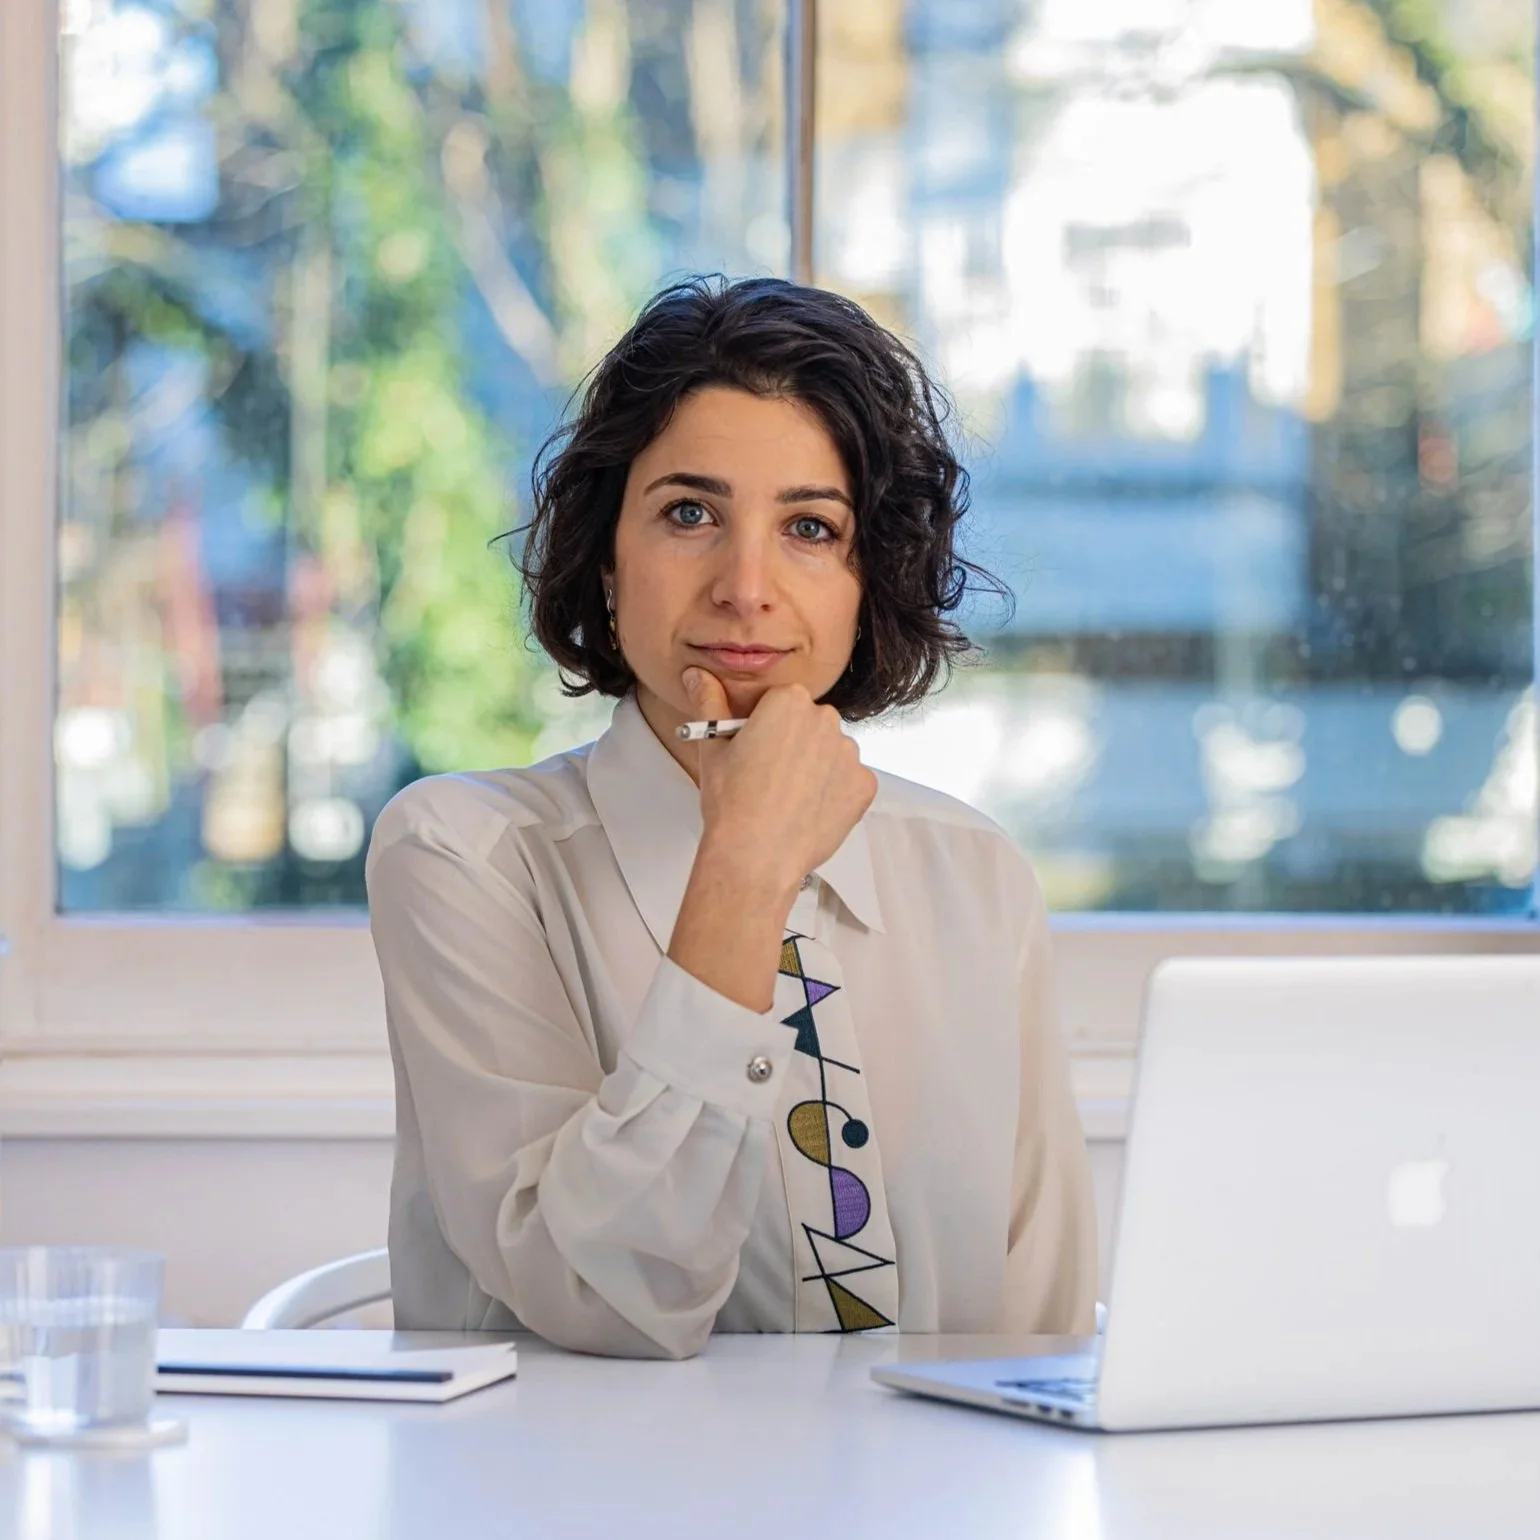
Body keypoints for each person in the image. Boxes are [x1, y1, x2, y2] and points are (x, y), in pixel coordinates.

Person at [366, 275, 1099, 1358]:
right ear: (607, 561)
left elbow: (1038, 1331)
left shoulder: (973, 871)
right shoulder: (464, 854)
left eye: (810, 526)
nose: (745, 586)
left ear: (869, 579)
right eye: (689, 513)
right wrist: (745, 867)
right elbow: (603, 1295)